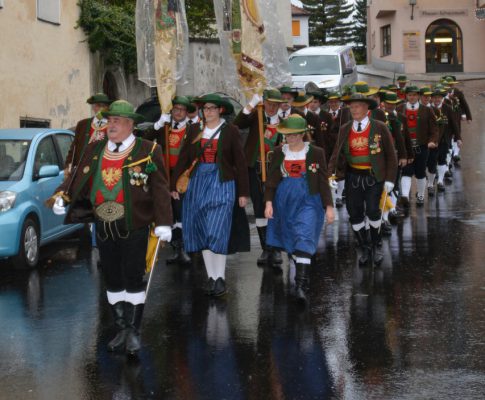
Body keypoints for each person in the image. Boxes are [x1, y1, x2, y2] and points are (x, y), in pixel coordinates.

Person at [51, 100, 173, 356]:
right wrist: (62, 196)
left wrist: (164, 222)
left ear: (130, 124)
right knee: (113, 278)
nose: (111, 125)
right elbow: (77, 179)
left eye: (117, 121)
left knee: (133, 277)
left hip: (134, 225)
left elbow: (160, 189)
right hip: (104, 227)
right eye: (109, 120)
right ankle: (121, 328)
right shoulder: (95, 149)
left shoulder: (148, 150)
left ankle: (134, 330)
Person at [171, 93, 250, 297]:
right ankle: (211, 277)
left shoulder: (230, 131)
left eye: (212, 108)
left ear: (220, 110)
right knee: (203, 230)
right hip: (198, 182)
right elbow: (184, 157)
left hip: (222, 181)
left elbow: (240, 163)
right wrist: (174, 184)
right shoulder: (194, 129)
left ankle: (220, 277)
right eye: (205, 109)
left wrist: (243, 192)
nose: (208, 112)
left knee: (217, 229)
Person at [264, 115, 334, 304]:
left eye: (295, 134)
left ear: (303, 134)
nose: (291, 138)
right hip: (284, 200)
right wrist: (268, 203)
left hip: (309, 200)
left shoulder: (316, 152)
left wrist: (329, 206)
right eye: (288, 135)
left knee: (304, 236)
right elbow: (271, 180)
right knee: (291, 238)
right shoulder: (279, 151)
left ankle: (301, 285)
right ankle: (299, 264)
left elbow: (322, 180)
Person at [329, 93, 397, 266]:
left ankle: (377, 244)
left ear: (367, 109)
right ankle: (364, 246)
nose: (354, 110)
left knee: (374, 210)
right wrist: (331, 174)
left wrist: (390, 179)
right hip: (353, 176)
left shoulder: (380, 127)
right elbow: (336, 153)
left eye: (357, 106)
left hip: (374, 176)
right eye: (351, 107)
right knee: (354, 213)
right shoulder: (345, 128)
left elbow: (391, 155)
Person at [233, 89, 286, 267]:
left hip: (275, 170)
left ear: (279, 105)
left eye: (275, 104)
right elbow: (237, 123)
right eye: (269, 103)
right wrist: (252, 103)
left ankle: (277, 248)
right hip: (255, 167)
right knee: (259, 206)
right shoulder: (257, 117)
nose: (271, 107)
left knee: (275, 206)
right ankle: (266, 248)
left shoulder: (285, 124)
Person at [145, 96, 196, 265]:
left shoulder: (192, 129)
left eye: (182, 110)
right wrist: (159, 123)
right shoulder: (164, 127)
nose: (178, 113)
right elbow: (145, 138)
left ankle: (185, 248)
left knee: (182, 211)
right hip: (164, 175)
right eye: (175, 109)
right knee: (170, 212)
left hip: (183, 177)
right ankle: (176, 249)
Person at [396, 86, 438, 208]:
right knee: (406, 171)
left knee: (420, 172)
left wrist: (432, 141)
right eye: (409, 95)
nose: (412, 97)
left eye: (414, 95)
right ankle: (405, 196)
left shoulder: (427, 110)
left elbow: (434, 129)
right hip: (405, 147)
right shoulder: (399, 109)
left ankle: (420, 194)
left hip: (422, 147)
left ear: (419, 96)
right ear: (406, 96)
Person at [65, 93, 113, 178]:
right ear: (93, 107)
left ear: (107, 108)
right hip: (82, 172)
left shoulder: (112, 125)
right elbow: (73, 149)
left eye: (104, 105)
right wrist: (68, 167)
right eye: (98, 105)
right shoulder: (82, 124)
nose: (101, 108)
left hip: (103, 172)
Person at [429, 85, 460, 193]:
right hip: (431, 141)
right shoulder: (428, 108)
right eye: (435, 97)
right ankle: (430, 184)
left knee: (442, 160)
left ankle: (440, 182)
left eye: (439, 97)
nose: (437, 99)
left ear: (442, 98)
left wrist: (458, 138)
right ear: (431, 98)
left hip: (444, 139)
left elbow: (454, 123)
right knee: (431, 163)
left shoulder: (447, 108)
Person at [327, 91, 351, 208]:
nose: (333, 104)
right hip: (328, 148)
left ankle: (339, 197)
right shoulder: (325, 115)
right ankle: (331, 196)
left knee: (340, 173)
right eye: (331, 102)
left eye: (336, 102)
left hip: (341, 147)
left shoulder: (344, 113)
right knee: (330, 172)